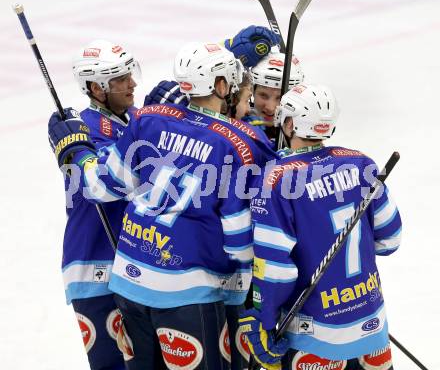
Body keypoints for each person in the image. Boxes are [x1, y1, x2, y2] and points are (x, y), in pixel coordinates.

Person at [48, 42, 277, 369]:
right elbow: (240, 235)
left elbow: (99, 185)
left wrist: (77, 153)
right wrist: (250, 295)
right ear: (222, 86)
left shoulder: (148, 120)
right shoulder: (241, 143)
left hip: (128, 283)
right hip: (190, 291)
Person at [239, 84, 402, 370]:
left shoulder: (274, 181)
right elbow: (390, 239)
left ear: (289, 123)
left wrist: (263, 318)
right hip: (371, 324)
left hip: (312, 334)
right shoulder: (360, 162)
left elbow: (275, 268)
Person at [57, 39, 142, 370]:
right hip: (94, 266)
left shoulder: (136, 118)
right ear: (96, 87)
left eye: (129, 74)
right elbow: (110, 183)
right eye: (120, 79)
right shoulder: (81, 129)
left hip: (134, 264)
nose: (132, 83)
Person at [248, 51, 304, 141]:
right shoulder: (236, 118)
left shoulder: (302, 135)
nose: (270, 108)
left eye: (280, 98)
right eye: (263, 95)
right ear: (252, 91)